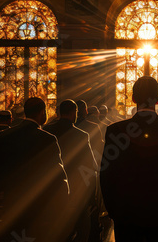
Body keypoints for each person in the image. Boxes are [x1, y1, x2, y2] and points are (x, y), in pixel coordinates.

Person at [100, 76, 158, 242]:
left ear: (133, 98)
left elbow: (106, 175)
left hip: (127, 216)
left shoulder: (115, 131)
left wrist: (114, 212)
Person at [0, 97, 70, 241]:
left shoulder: (5, 136)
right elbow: (57, 172)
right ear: (42, 112)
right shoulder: (47, 138)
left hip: (11, 201)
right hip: (38, 202)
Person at [44, 99, 99, 241]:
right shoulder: (81, 135)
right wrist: (92, 196)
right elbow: (90, 165)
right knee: (81, 228)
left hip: (51, 189)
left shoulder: (46, 132)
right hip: (76, 188)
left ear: (59, 113)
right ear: (74, 112)